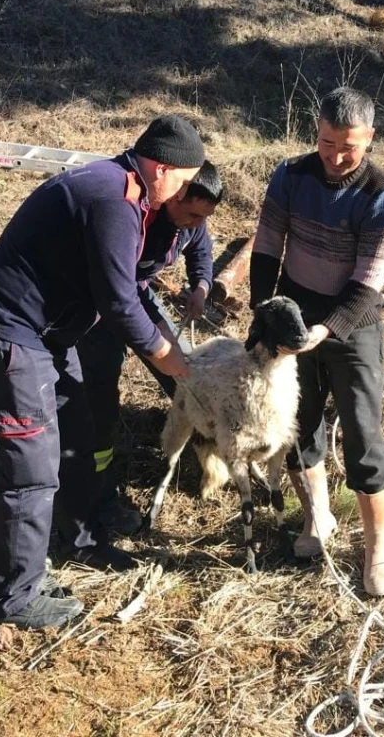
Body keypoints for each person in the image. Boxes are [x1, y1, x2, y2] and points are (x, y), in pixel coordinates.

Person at [0, 115, 205, 628]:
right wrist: (173, 361)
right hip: (8, 333)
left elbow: (130, 288)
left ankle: (81, 540)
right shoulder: (110, 198)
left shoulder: (132, 197)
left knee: (76, 435)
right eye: (184, 180)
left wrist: (167, 346)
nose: (186, 192)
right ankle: (14, 598)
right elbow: (118, 303)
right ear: (162, 169)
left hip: (51, 336)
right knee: (32, 464)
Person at [249, 87, 384, 596]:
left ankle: (379, 542)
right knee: (297, 423)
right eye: (326, 142)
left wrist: (327, 330)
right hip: (297, 312)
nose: (336, 157)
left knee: (362, 430)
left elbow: (368, 282)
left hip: (352, 323)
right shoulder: (291, 175)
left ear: (371, 139)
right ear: (315, 132)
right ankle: (318, 518)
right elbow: (269, 245)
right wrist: (264, 310)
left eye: (349, 147)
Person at [70, 160, 224, 541]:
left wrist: (201, 287)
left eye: (202, 216)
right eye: (189, 212)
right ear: (173, 193)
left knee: (188, 375)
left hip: (137, 296)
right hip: (99, 307)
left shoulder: (193, 220)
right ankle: (96, 489)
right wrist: (157, 347)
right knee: (99, 393)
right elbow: (116, 298)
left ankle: (203, 453)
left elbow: (200, 250)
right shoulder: (136, 219)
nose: (193, 222)